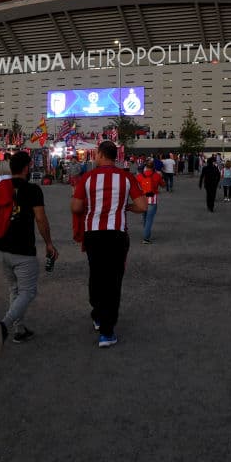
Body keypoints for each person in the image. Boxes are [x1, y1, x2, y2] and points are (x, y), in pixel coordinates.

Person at [71, 141, 147, 348]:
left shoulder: (87, 177)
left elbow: (76, 206)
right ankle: (107, 331)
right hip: (116, 234)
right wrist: (125, 207)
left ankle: (97, 314)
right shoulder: (126, 177)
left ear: (102, 155)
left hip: (93, 234)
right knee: (113, 281)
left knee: (96, 275)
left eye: (96, 154)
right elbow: (142, 205)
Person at [0, 151, 58, 352]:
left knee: (15, 290)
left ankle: (19, 329)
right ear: (26, 168)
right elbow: (41, 220)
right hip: (23, 249)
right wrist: (49, 243)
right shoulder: (32, 190)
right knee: (28, 291)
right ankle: (5, 325)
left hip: (2, 247)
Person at [135, 162, 162, 244]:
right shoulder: (157, 175)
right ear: (153, 167)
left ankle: (146, 233)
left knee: (145, 218)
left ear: (145, 167)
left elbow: (136, 185)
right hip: (152, 200)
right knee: (149, 219)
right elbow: (163, 184)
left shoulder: (139, 176)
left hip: (143, 200)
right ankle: (146, 238)